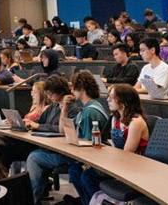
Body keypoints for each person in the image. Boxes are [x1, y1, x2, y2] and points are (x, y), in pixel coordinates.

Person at [26, 71, 110, 204]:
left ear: (81, 88)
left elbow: (89, 144)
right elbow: (63, 129)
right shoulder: (86, 108)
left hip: (92, 159)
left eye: (74, 87)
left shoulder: (89, 111)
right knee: (74, 171)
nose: (71, 90)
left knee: (36, 158)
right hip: (79, 154)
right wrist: (64, 108)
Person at [69, 84, 149, 204]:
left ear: (124, 101)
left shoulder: (136, 122)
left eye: (112, 97)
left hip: (133, 166)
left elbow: (127, 154)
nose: (107, 100)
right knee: (75, 170)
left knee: (87, 177)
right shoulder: (115, 119)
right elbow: (114, 147)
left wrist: (101, 162)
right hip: (118, 161)